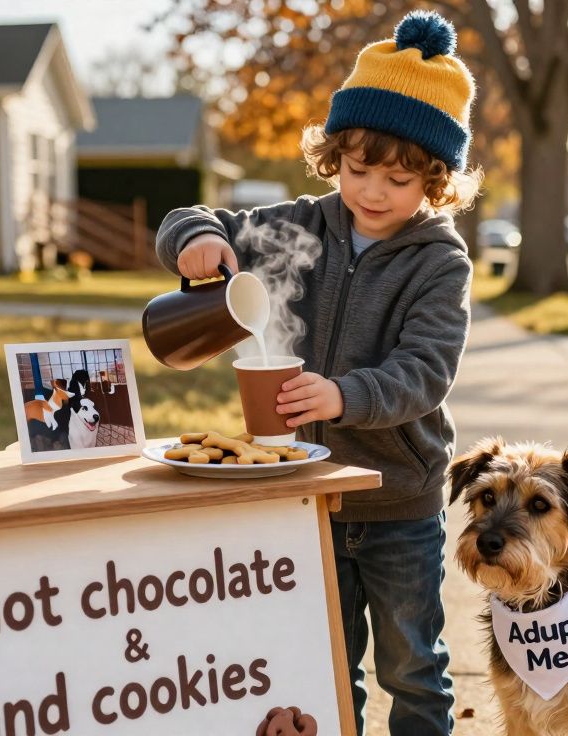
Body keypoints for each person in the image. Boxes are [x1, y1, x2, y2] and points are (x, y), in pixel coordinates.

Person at [154, 10, 480, 735]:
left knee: (413, 667)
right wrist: (199, 239)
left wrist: (344, 394)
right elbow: (187, 215)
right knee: (327, 662)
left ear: (435, 179)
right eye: (358, 169)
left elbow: (426, 370)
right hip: (304, 497)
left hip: (399, 502)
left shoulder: (439, 261)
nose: (372, 191)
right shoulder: (298, 225)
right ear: (335, 156)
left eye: (398, 179)